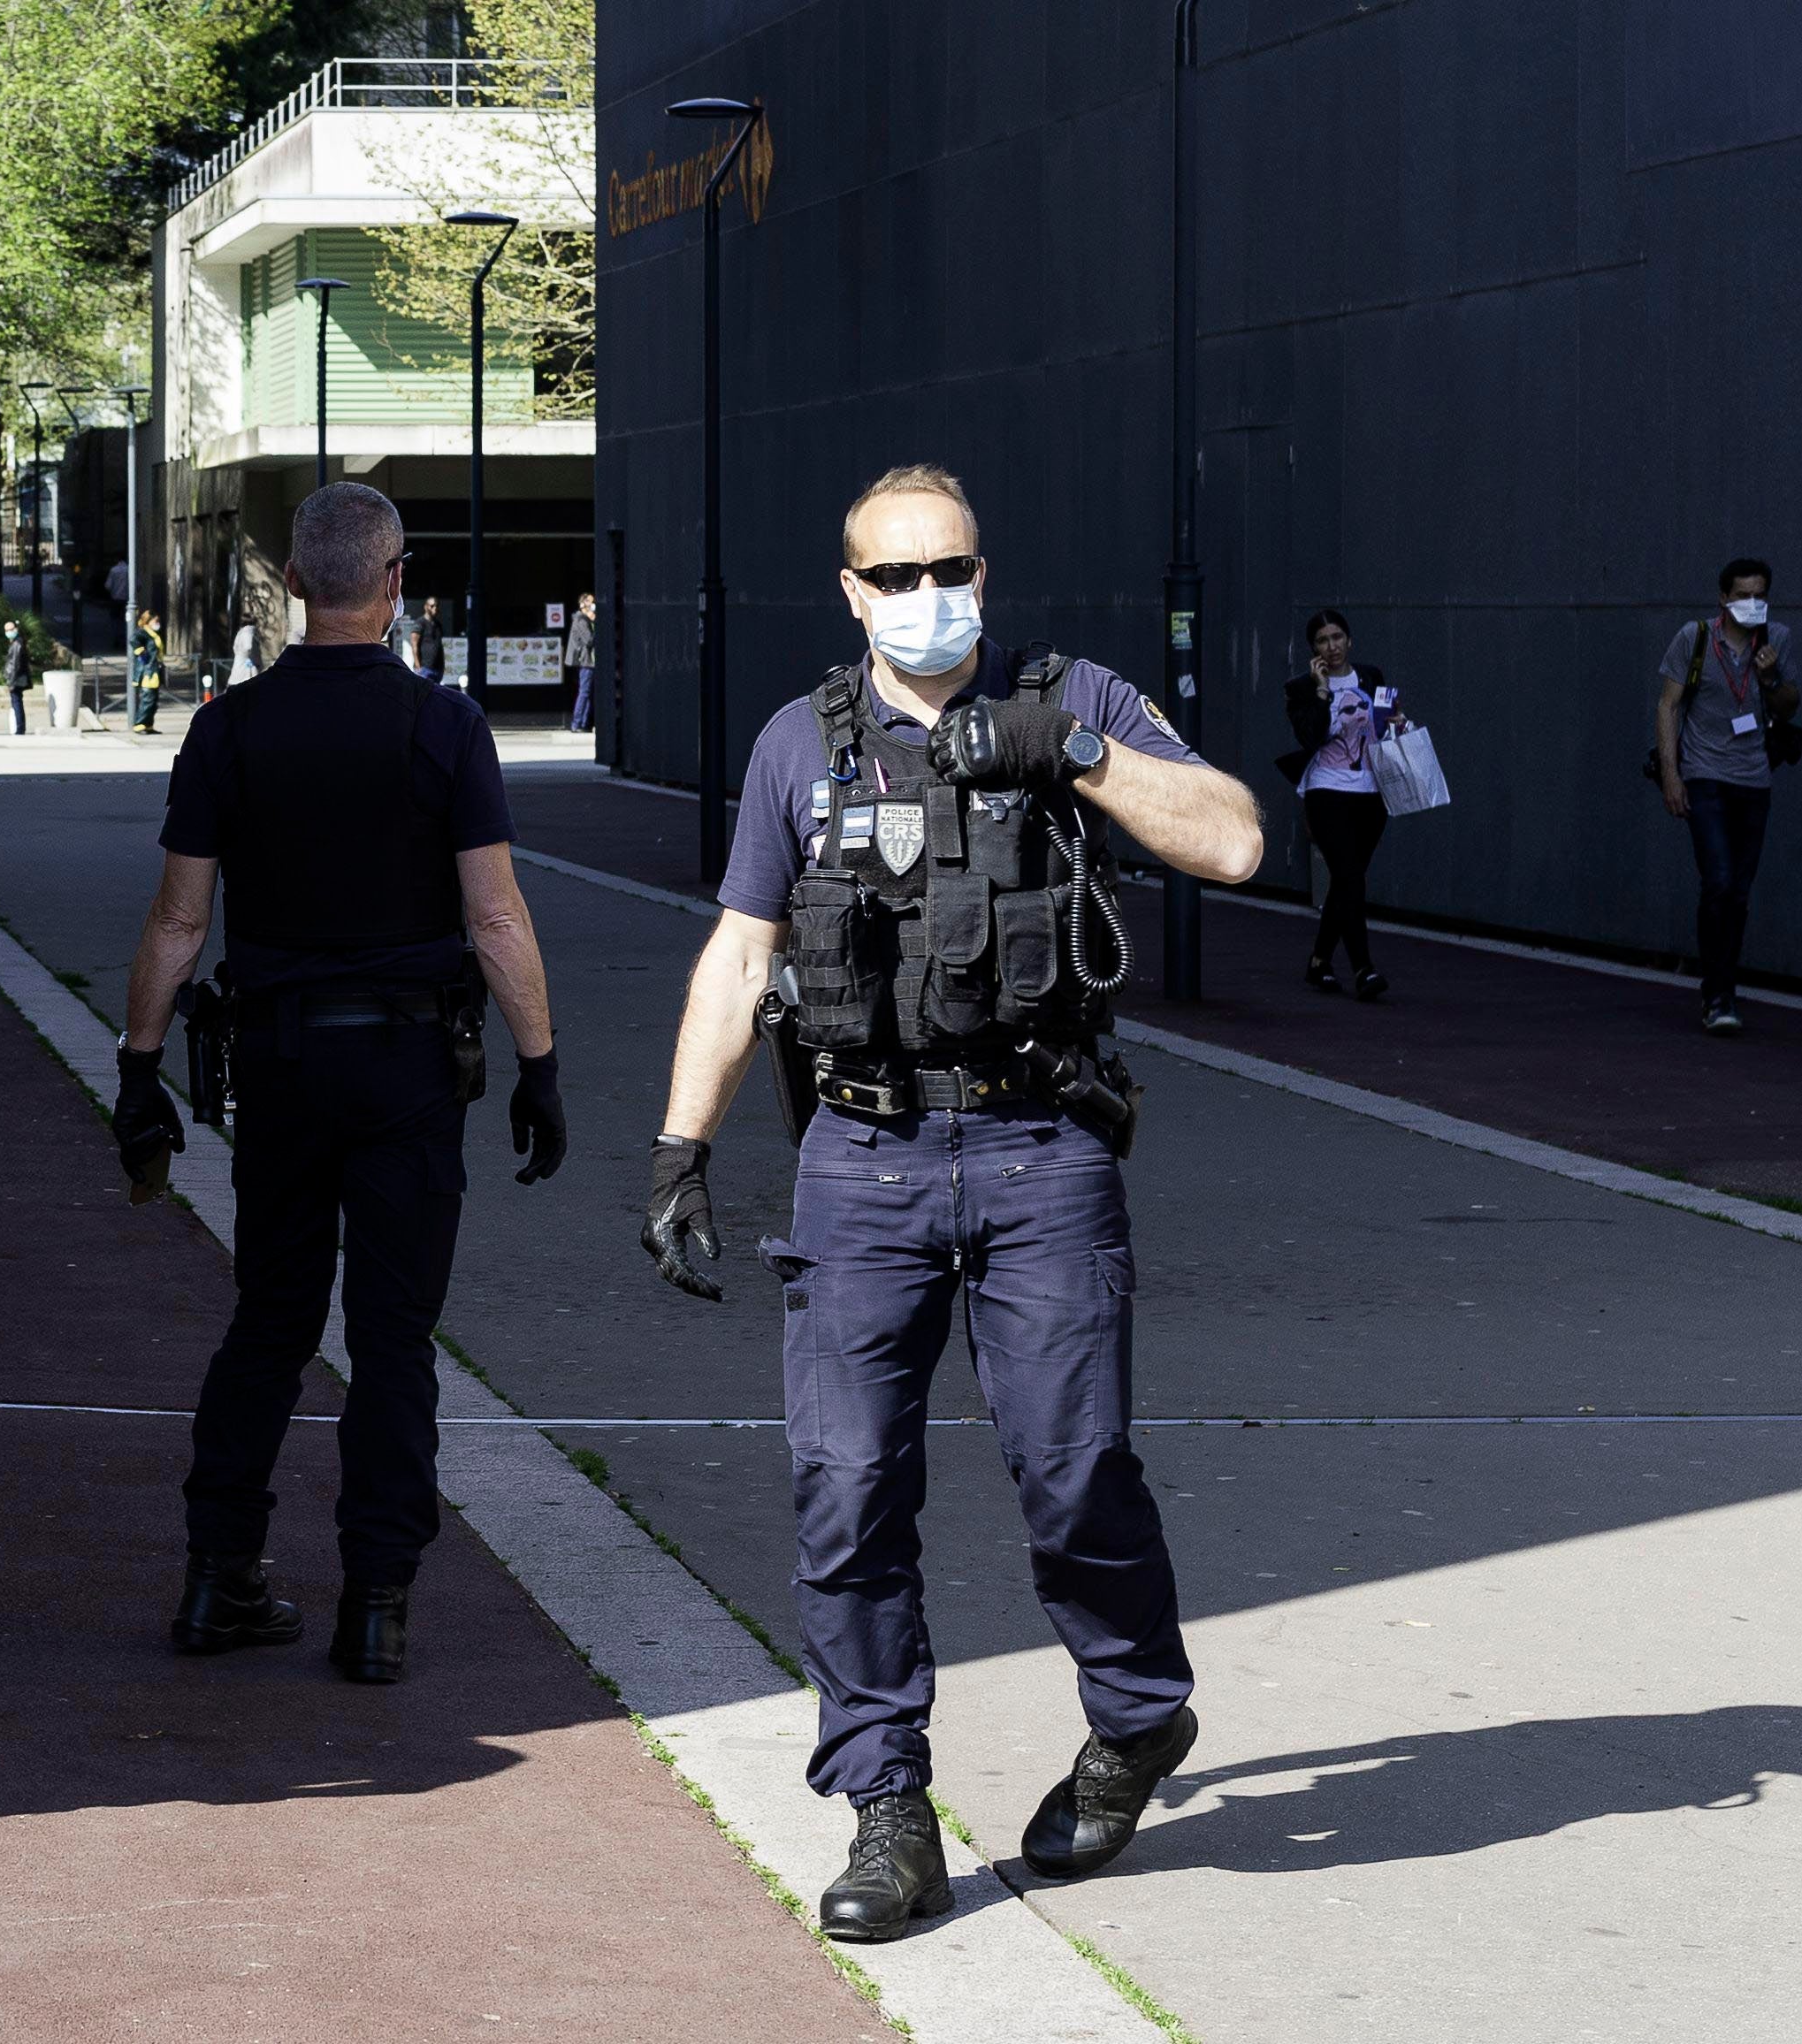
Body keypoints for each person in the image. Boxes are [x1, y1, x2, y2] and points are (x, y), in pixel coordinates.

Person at [640, 465, 1263, 1941]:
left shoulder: (1073, 698)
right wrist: (679, 1148)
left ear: (982, 568)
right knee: (844, 1486)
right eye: (896, 575)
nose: (929, 597)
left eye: (950, 567)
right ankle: (885, 1807)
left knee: (1074, 1474)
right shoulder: (802, 742)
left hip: (1040, 1151)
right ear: (850, 591)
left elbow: (1232, 837)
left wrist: (1075, 754)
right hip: (858, 1163)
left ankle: (1133, 1720)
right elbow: (738, 958)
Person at [111, 483, 569, 1684]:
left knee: (269, 1318)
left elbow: (176, 917)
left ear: (299, 584)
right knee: (392, 1336)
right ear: (396, 580)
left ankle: (219, 1576)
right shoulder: (446, 727)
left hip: (276, 1061)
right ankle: (377, 1603)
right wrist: (539, 1061)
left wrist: (138, 1065)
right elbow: (496, 913)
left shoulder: (228, 729)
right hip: (410, 1065)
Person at [1655, 557, 1796, 1035]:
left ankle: (1721, 982)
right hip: (1705, 774)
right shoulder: (1694, 638)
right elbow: (1669, 705)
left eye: (1759, 595)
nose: (1751, 604)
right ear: (1723, 598)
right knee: (1717, 879)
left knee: (1737, 890)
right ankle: (1718, 995)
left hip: (1754, 778)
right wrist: (1672, 775)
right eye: (1741, 595)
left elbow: (1788, 704)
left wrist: (1771, 676)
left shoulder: (1775, 639)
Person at [1276, 607, 1405, 1000]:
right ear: (1313, 650)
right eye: (1321, 641)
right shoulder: (1301, 688)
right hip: (1327, 791)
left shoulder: (1371, 677)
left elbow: (1382, 728)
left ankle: (1319, 961)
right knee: (1350, 878)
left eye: (1337, 638)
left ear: (1349, 640)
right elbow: (1310, 738)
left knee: (1346, 882)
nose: (1331, 647)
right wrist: (1320, 691)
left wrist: (1396, 721)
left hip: (1370, 792)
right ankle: (1364, 969)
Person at [565, 592, 599, 732]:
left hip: (590, 662)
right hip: (586, 662)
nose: (593, 605)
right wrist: (596, 622)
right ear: (584, 604)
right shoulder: (581, 620)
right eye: (590, 602)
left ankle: (584, 723)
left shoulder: (584, 620)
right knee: (584, 692)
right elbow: (589, 640)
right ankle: (577, 723)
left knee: (588, 692)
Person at [130, 609, 167, 733]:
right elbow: (133, 639)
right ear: (148, 621)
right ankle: (139, 724)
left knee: (153, 701)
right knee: (147, 700)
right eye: (155, 620)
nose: (158, 623)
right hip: (148, 672)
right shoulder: (143, 632)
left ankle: (148, 725)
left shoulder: (152, 633)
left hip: (155, 671)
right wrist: (141, 653)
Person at [4, 618, 32, 734]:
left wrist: (11, 681)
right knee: (17, 701)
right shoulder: (19, 642)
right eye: (6, 630)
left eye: (10, 629)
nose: (8, 632)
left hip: (16, 678)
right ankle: (20, 727)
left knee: (16, 702)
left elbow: (15, 664)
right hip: (18, 677)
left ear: (16, 629)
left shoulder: (16, 644)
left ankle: (20, 728)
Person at [412, 596, 447, 688]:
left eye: (436, 606)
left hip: (437, 669)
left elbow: (439, 645)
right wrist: (418, 667)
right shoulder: (420, 623)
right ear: (426, 607)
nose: (435, 608)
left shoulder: (438, 625)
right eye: (432, 606)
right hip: (424, 668)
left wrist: (442, 667)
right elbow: (414, 645)